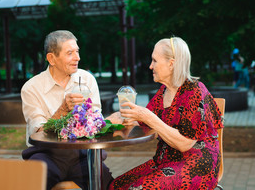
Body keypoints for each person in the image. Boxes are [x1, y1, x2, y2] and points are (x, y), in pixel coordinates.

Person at [108, 37, 224, 189]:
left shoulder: (194, 90)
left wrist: (148, 117)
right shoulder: (163, 92)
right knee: (117, 185)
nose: (150, 66)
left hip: (198, 165)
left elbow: (184, 144)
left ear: (171, 64)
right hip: (165, 162)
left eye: (155, 61)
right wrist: (117, 119)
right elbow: (142, 121)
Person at [21, 30, 113, 190]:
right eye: (70, 53)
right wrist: (63, 110)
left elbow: (97, 121)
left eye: (77, 51)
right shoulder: (31, 88)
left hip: (82, 154)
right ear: (51, 58)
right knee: (33, 181)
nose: (77, 58)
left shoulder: (87, 80)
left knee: (106, 182)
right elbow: (38, 133)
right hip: (47, 153)